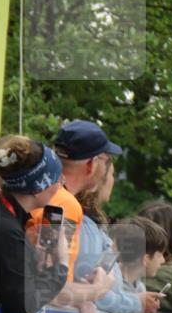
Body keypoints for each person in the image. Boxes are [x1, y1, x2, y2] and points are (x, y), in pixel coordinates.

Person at [0, 135, 110, 313]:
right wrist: (61, 266)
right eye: (57, 178)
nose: (61, 184)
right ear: (39, 187)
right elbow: (21, 308)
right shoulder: (5, 228)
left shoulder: (8, 219)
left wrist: (39, 267)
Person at [73, 155, 163, 313]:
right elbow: (91, 292)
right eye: (113, 174)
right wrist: (137, 304)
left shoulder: (94, 226)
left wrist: (136, 303)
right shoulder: (84, 226)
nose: (114, 181)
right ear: (98, 177)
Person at [28, 120, 123, 281]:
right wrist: (97, 290)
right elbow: (48, 284)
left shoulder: (36, 188)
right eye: (105, 162)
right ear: (92, 164)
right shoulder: (64, 204)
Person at [112, 217, 167, 295]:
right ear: (145, 259)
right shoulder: (112, 287)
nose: (163, 260)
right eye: (159, 255)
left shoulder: (139, 286)